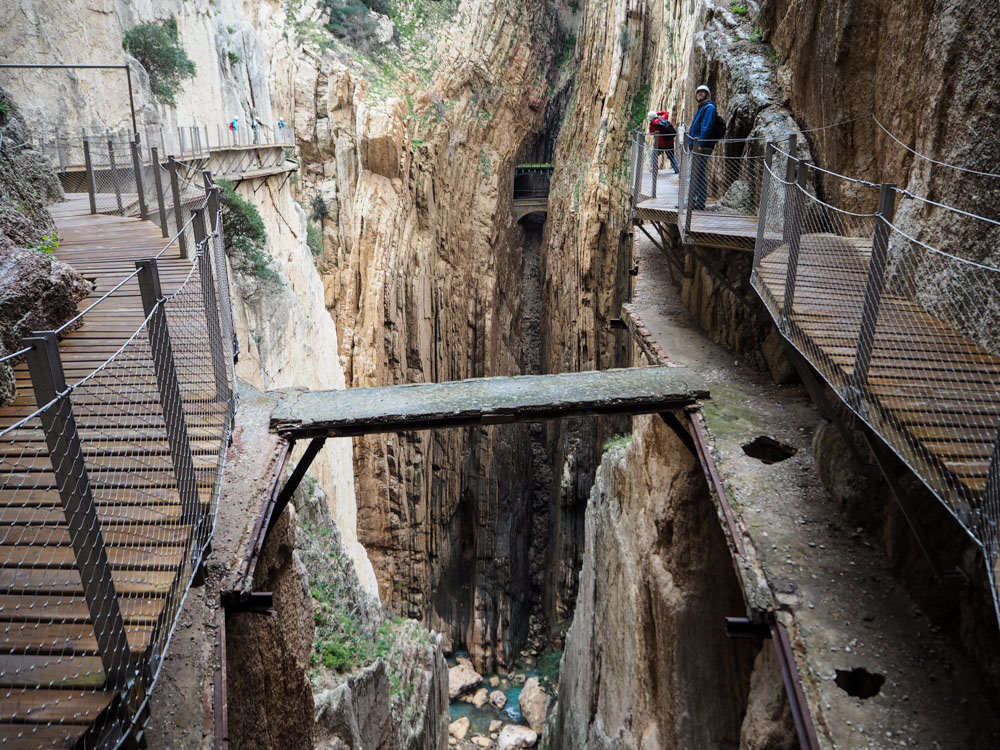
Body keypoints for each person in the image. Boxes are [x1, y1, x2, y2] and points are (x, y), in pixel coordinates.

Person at [687, 84, 717, 210]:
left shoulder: (709, 108)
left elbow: (707, 126)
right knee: (699, 174)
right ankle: (698, 202)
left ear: (707, 95)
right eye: (698, 92)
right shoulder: (702, 108)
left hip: (701, 146)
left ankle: (691, 202)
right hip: (698, 146)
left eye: (703, 92)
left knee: (693, 174)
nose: (700, 94)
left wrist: (701, 144)